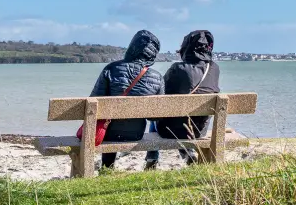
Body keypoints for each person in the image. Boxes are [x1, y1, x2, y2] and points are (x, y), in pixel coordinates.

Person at [89, 29, 164, 171]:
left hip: (107, 133)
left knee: (110, 122)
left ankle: (107, 168)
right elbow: (158, 115)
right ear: (153, 53)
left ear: (132, 46)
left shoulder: (111, 69)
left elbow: (94, 102)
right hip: (136, 134)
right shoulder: (157, 77)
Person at [144, 29, 219, 170]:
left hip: (169, 130)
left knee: (156, 119)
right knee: (180, 117)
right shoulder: (214, 68)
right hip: (198, 130)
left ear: (187, 47)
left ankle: (152, 159)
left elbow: (162, 96)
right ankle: (188, 154)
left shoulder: (178, 69)